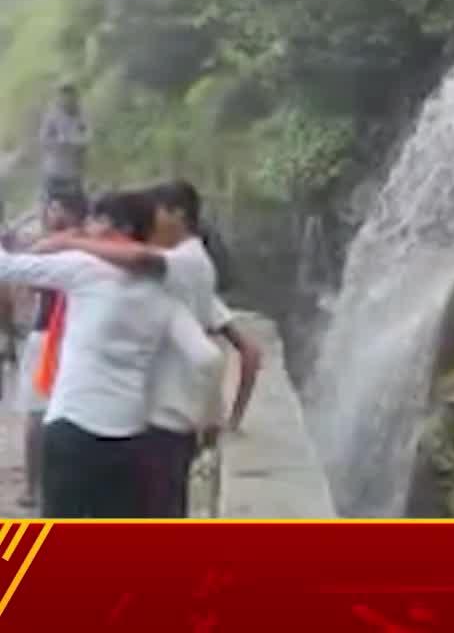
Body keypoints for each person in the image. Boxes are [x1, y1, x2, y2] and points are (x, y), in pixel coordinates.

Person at [48, 180, 261, 516]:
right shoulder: (190, 272)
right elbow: (245, 348)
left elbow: (134, 257)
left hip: (165, 419)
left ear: (177, 214)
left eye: (156, 212)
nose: (150, 220)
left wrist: (68, 243)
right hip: (167, 419)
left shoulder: (182, 262)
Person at [0, 190, 218, 517]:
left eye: (98, 219)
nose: (88, 225)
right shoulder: (165, 293)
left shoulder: (83, 268)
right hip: (127, 434)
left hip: (72, 424)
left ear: (123, 228)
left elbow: (9, 268)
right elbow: (207, 358)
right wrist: (207, 414)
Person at [12, 191, 86, 509]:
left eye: (53, 208)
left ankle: (34, 486)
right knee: (50, 412)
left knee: (39, 412)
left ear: (69, 212)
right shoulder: (90, 247)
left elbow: (26, 286)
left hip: (55, 336)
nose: (47, 213)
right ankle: (42, 483)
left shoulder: (59, 247)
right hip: (64, 336)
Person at [39, 83, 89, 204]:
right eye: (65, 97)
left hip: (74, 171)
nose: (68, 101)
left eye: (71, 97)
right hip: (55, 171)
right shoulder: (52, 116)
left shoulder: (82, 114)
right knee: (53, 205)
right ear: (60, 98)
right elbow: (43, 140)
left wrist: (79, 143)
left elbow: (87, 135)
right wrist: (61, 143)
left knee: (80, 205)